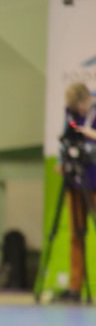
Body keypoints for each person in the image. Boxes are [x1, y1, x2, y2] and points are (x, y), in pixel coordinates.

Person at [57, 82, 96, 302]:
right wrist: (63, 161)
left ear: (86, 100)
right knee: (76, 235)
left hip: (95, 177)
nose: (78, 112)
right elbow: (67, 139)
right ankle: (75, 287)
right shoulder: (70, 113)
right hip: (76, 180)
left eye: (79, 108)